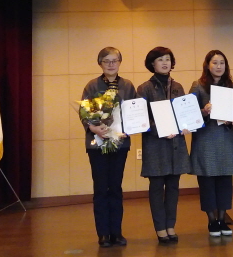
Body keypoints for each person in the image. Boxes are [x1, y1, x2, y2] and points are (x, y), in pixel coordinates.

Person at [80, 47, 136, 248]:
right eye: (107, 61)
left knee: (116, 188)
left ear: (120, 62)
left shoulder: (128, 86)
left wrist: (130, 127)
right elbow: (84, 112)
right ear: (100, 63)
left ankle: (116, 232)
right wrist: (93, 127)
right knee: (101, 188)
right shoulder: (92, 85)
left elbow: (134, 111)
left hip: (120, 144)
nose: (111, 64)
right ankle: (103, 234)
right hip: (97, 144)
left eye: (115, 60)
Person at [137, 47, 191, 244]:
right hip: (156, 145)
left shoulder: (178, 87)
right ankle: (160, 228)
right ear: (152, 64)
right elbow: (141, 120)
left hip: (176, 144)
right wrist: (159, 129)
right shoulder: (144, 88)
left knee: (174, 187)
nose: (165, 63)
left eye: (168, 59)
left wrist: (187, 125)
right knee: (157, 188)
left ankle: (170, 226)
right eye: (160, 59)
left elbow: (185, 113)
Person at [188, 50, 233, 237]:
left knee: (225, 180)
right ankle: (212, 220)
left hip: (225, 139)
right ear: (207, 65)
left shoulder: (231, 87)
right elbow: (188, 113)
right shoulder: (198, 86)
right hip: (205, 139)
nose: (219, 66)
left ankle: (222, 219)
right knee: (207, 181)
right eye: (215, 63)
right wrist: (204, 111)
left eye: (222, 63)